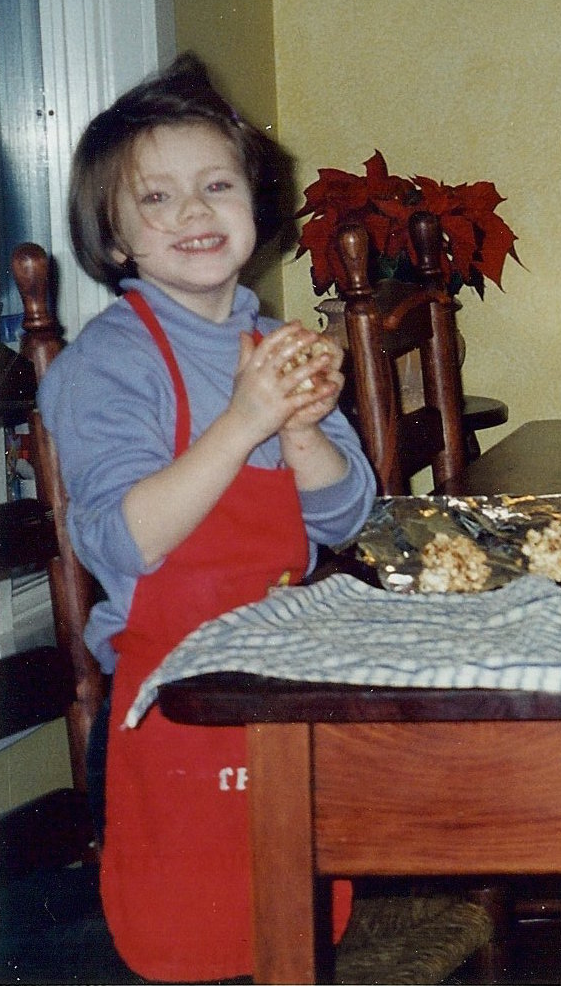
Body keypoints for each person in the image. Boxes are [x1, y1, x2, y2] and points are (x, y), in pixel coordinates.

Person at [37, 53, 375, 982]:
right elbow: (117, 537)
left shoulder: (276, 345)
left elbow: (350, 515)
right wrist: (245, 422)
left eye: (215, 186)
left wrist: (304, 436)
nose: (192, 212)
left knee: (290, 928)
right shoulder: (109, 365)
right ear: (113, 240)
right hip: (171, 704)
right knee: (188, 942)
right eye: (157, 199)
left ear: (254, 208)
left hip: (281, 681)